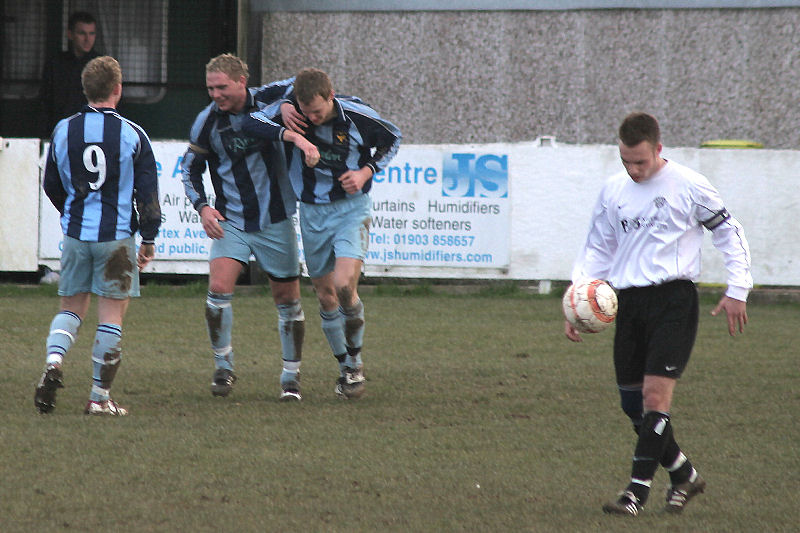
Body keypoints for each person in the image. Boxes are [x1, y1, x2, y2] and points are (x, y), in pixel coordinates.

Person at [565, 112, 752, 516]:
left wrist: (738, 287)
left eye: (641, 162)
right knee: (633, 406)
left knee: (655, 399)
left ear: (659, 149)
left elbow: (728, 231)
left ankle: (635, 493)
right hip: (627, 303)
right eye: (626, 161)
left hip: (674, 301)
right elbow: (598, 247)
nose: (633, 170)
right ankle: (683, 474)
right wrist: (577, 296)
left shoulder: (688, 184)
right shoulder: (613, 191)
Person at [243, 68, 402, 399]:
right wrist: (286, 113)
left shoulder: (357, 115)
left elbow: (393, 138)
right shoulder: (292, 112)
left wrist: (366, 171)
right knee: (326, 296)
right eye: (305, 111)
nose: (311, 118)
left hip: (351, 210)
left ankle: (356, 365)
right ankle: (345, 367)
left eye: (317, 111)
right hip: (312, 213)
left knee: (345, 287)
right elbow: (247, 121)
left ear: (331, 97)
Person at [181, 54, 320, 401]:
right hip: (233, 221)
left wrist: (289, 103)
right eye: (211, 88)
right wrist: (203, 207)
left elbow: (303, 79)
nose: (216, 94)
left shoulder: (270, 97)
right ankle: (223, 368)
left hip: (275, 220)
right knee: (217, 291)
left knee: (287, 299)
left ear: (242, 81)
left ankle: (291, 377)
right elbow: (189, 170)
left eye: (222, 87)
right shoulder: (206, 122)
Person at [35, 56, 161, 416]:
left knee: (71, 309)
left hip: (76, 237)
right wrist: (148, 239)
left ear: (85, 89)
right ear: (118, 89)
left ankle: (54, 362)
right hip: (116, 239)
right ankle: (98, 398)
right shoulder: (133, 134)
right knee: (111, 316)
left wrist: (71, 214)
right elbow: (148, 197)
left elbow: (51, 184)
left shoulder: (63, 130)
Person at [41, 11, 101, 137]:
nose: (87, 39)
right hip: (61, 131)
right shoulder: (55, 64)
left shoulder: (101, 66)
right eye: (82, 33)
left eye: (91, 34)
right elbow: (46, 100)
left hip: (93, 133)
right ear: (70, 34)